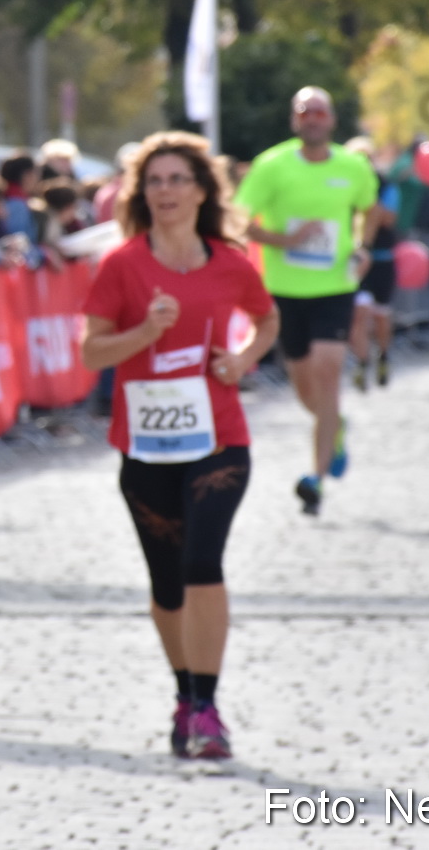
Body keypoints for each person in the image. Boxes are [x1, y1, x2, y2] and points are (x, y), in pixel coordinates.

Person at [80, 132, 278, 760]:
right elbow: (91, 351)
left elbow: (268, 319)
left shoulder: (229, 262)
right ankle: (185, 694)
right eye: (154, 182)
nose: (165, 192)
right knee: (167, 583)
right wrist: (146, 331)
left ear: (201, 191)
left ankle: (209, 705)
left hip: (219, 438)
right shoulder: (122, 266)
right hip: (145, 444)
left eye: (176, 180)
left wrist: (242, 358)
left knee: (201, 562)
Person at [232, 87, 376, 517]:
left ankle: (315, 479)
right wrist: (284, 240)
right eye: (304, 112)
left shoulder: (353, 166)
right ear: (295, 121)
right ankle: (335, 427)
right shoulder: (272, 165)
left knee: (328, 369)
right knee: (305, 387)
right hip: (285, 290)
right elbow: (239, 219)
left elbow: (369, 209)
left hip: (334, 287)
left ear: (331, 120)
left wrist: (363, 246)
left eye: (319, 112)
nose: (312, 119)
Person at [344, 138, 399, 391]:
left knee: (380, 315)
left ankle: (383, 355)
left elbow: (388, 218)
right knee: (359, 314)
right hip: (353, 260)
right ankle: (360, 362)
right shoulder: (342, 185)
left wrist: (369, 203)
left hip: (381, 258)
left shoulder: (385, 185)